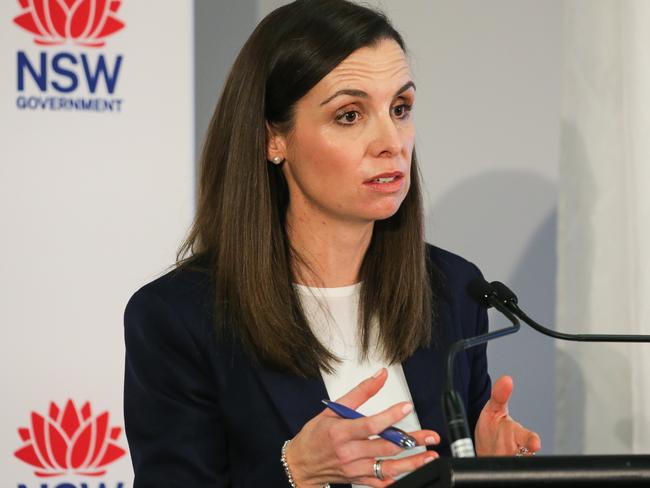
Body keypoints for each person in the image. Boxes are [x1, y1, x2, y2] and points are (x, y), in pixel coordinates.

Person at [123, 1, 541, 486]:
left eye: (400, 108)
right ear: (271, 140)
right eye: (349, 115)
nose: (391, 141)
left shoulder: (454, 289)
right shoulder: (178, 318)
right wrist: (294, 473)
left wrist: (488, 471)